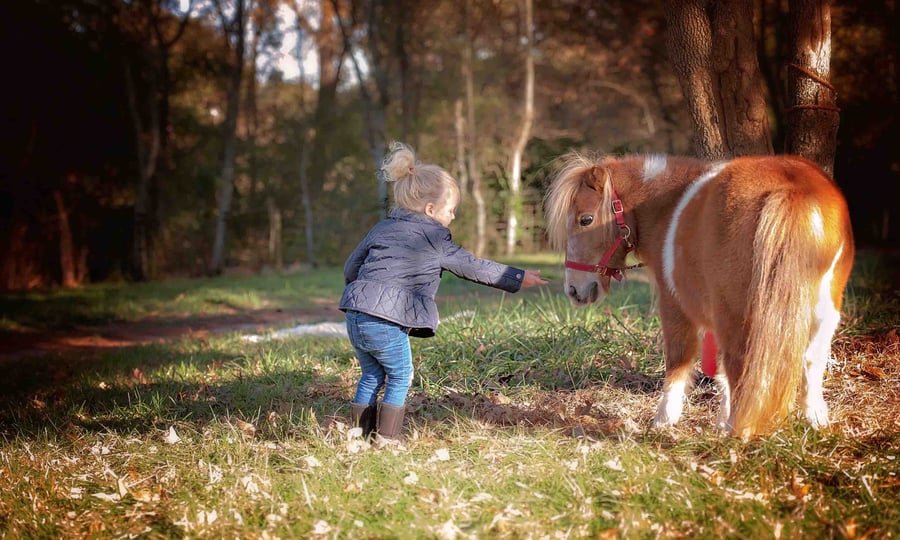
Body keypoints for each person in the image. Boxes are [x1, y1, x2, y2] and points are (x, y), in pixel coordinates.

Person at [340, 142, 549, 444]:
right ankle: (387, 439)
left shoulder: (382, 228)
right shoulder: (434, 237)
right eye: (451, 210)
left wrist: (360, 296)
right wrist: (517, 277)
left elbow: (351, 266)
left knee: (372, 376)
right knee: (400, 375)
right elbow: (472, 266)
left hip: (356, 315)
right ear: (430, 210)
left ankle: (358, 437)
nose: (452, 217)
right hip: (385, 320)